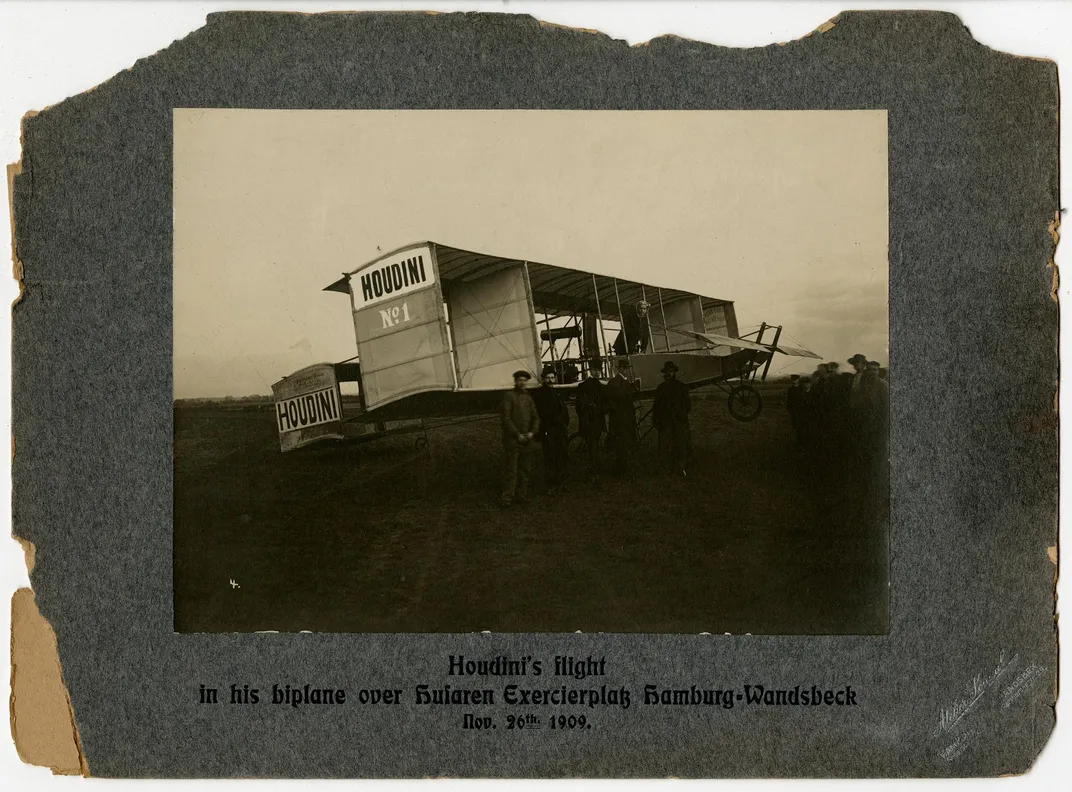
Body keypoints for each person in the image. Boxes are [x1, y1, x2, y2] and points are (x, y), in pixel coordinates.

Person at [500, 370, 540, 506]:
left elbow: (535, 417)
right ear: (515, 381)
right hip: (513, 440)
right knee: (511, 470)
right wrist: (517, 434)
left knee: (525, 469)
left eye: (525, 380)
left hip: (527, 439)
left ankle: (521, 496)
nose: (522, 383)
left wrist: (532, 432)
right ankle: (507, 498)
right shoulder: (509, 396)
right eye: (520, 380)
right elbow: (506, 419)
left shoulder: (528, 398)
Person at [531, 368, 571, 494]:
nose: (550, 380)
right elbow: (543, 413)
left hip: (560, 430)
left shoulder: (556, 392)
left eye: (552, 378)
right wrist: (557, 420)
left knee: (562, 456)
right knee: (550, 457)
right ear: (543, 379)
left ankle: (561, 483)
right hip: (548, 430)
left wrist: (564, 422)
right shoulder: (539, 394)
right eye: (547, 378)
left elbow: (563, 410)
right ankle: (552, 485)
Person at [652, 360, 692, 476]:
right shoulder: (661, 388)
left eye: (670, 371)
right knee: (665, 447)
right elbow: (656, 407)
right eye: (667, 372)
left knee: (680, 447)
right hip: (665, 424)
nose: (668, 374)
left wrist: (680, 417)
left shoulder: (682, 387)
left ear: (674, 372)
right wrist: (656, 421)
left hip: (678, 423)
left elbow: (687, 406)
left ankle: (680, 469)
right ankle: (666, 470)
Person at [604, 359, 638, 478]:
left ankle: (624, 469)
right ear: (620, 369)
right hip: (620, 419)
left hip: (625, 418)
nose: (627, 371)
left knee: (625, 444)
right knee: (621, 445)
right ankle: (621, 470)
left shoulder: (622, 382)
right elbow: (616, 399)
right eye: (625, 368)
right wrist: (631, 390)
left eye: (627, 368)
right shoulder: (615, 383)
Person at [574, 364, 608, 472]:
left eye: (599, 370)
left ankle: (594, 467)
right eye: (595, 370)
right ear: (590, 370)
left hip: (598, 420)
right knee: (592, 445)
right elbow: (579, 406)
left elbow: (604, 403)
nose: (597, 372)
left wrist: (602, 409)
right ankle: (593, 469)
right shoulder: (583, 386)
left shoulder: (602, 386)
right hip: (588, 420)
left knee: (596, 444)